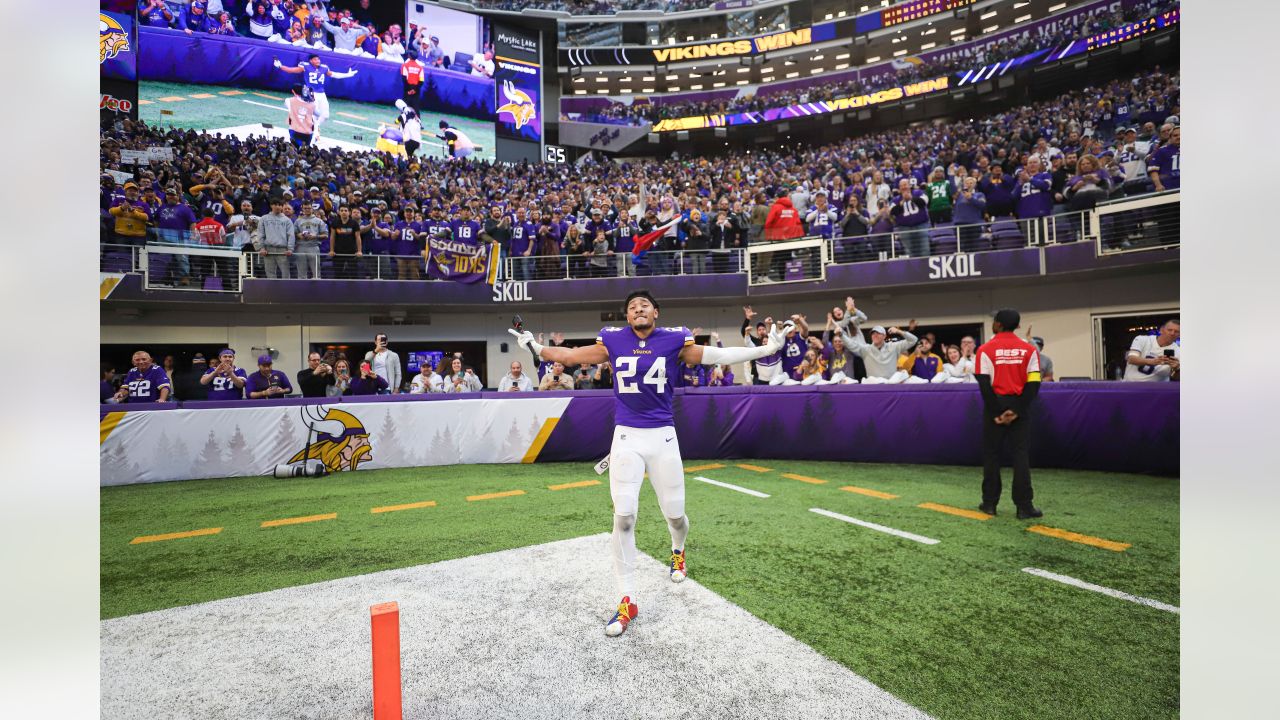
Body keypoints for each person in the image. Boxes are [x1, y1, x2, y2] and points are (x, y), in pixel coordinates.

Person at [509, 289, 791, 637]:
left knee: (675, 515)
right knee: (624, 516)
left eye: (643, 305)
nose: (637, 309)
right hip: (626, 436)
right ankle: (627, 599)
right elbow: (570, 355)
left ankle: (677, 550)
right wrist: (534, 348)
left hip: (663, 438)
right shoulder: (613, 340)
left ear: (655, 312)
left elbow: (717, 354)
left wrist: (766, 349)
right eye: (631, 307)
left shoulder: (673, 340)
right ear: (627, 317)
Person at [975, 308, 1043, 519]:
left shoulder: (984, 350)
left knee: (992, 455)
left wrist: (998, 412)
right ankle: (1024, 507)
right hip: (1019, 407)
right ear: (1018, 326)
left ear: (998, 325)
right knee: (1020, 455)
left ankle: (989, 504)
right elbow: (1034, 384)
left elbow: (984, 384)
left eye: (994, 321)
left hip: (994, 405)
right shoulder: (1030, 350)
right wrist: (1016, 411)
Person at [274, 53, 358, 141]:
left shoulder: (324, 68)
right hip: (312, 94)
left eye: (318, 59)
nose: (318, 61)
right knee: (314, 115)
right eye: (315, 59)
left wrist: (348, 75)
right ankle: (314, 135)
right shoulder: (305, 66)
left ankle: (315, 128)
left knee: (325, 116)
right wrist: (281, 66)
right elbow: (292, 70)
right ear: (310, 61)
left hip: (322, 94)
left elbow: (334, 74)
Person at [841, 322, 918, 384]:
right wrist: (841, 335)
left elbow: (914, 340)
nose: (875, 335)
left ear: (884, 336)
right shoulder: (866, 349)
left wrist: (899, 331)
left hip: (891, 385)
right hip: (873, 387)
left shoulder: (894, 347)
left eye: (878, 333)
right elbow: (851, 344)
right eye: (873, 333)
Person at [254, 196, 296, 279]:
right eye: (275, 205)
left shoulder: (287, 220)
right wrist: (261, 248)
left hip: (283, 250)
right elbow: (260, 234)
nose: (277, 207)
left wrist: (290, 249)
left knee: (286, 274)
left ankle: (286, 292)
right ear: (271, 205)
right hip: (268, 250)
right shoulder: (264, 218)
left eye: (279, 205)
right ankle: (272, 291)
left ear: (282, 206)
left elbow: (291, 235)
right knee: (270, 274)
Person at [285, 84, 317, 149]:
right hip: (308, 132)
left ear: (293, 91)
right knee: (305, 150)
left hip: (294, 129)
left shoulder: (289, 100)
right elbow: (319, 114)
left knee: (294, 149)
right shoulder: (313, 105)